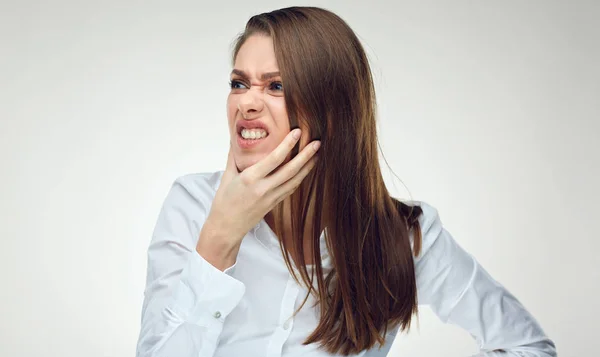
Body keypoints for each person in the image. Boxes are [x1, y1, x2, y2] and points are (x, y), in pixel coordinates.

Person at [135, 6, 557, 357]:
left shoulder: (402, 234)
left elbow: (528, 347)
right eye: (238, 83)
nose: (246, 101)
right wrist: (217, 243)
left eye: (276, 86)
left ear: (333, 112)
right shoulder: (191, 206)